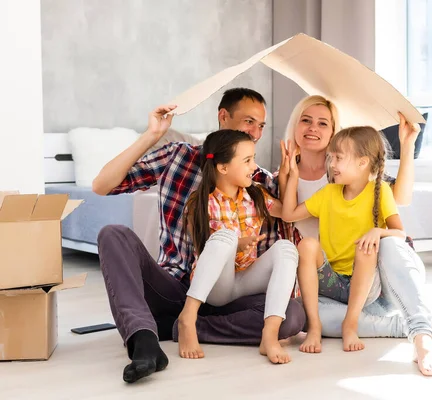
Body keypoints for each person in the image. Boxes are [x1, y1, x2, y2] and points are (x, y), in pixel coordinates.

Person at [92, 88, 306, 384]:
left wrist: (288, 176)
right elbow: (101, 186)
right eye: (249, 122)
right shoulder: (178, 156)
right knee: (113, 234)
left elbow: (288, 224)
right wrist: (151, 135)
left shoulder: (258, 181)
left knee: (292, 316)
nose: (256, 133)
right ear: (223, 117)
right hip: (176, 285)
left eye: (261, 126)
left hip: (227, 294)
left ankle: (180, 327)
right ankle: (143, 340)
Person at [277, 96, 432, 376]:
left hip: (374, 282)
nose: (313, 128)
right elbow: (286, 214)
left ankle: (418, 331)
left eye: (323, 123)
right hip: (330, 283)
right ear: (295, 125)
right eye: (306, 120)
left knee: (374, 245)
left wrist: (406, 147)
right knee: (302, 313)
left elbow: (400, 215)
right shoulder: (293, 177)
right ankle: (394, 326)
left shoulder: (374, 189)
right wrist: (291, 176)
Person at [177, 130, 298, 364]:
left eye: (253, 159)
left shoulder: (257, 195)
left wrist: (288, 176)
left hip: (245, 281)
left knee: (286, 248)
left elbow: (288, 214)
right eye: (247, 161)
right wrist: (238, 242)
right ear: (223, 167)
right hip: (216, 287)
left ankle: (269, 335)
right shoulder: (201, 202)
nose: (254, 166)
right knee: (226, 237)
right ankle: (188, 318)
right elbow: (205, 247)